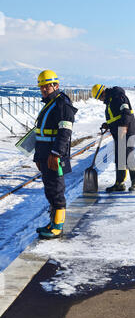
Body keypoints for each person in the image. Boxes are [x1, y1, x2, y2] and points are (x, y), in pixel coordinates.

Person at [34, 70, 77, 238]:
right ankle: (53, 221)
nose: (44, 89)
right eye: (42, 87)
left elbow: (64, 132)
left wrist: (56, 153)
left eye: (47, 86)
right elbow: (41, 133)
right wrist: (38, 156)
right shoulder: (49, 103)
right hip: (45, 155)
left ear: (56, 85)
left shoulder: (62, 104)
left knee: (56, 190)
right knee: (50, 189)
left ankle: (57, 226)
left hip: (54, 156)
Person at [92, 84, 135, 192]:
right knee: (120, 157)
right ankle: (119, 183)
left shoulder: (118, 97)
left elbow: (126, 113)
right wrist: (108, 124)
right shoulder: (110, 100)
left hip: (127, 130)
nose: (100, 100)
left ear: (103, 92)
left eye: (100, 97)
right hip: (119, 132)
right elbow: (116, 116)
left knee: (128, 155)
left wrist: (123, 127)